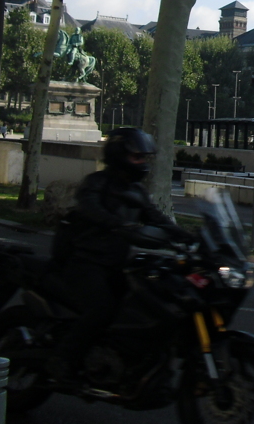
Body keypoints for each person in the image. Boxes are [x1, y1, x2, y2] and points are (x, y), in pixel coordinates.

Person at [46, 128, 193, 384]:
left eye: (145, 158)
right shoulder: (96, 183)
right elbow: (91, 209)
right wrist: (118, 224)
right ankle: (62, 359)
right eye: (138, 157)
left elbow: (157, 218)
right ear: (119, 155)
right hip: (85, 262)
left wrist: (190, 238)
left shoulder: (137, 191)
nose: (143, 163)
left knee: (142, 306)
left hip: (116, 264)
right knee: (101, 310)